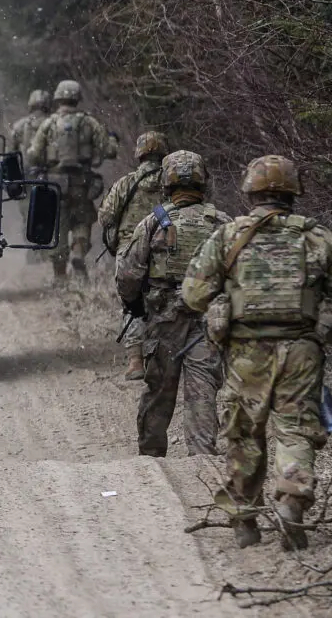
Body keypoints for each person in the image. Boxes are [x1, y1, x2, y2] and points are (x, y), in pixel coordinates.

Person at [183, 155, 332, 550]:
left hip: (246, 350)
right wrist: (323, 326)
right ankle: (292, 499)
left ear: (250, 192)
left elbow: (193, 292)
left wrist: (220, 307)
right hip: (300, 348)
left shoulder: (228, 236)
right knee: (295, 430)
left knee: (243, 432)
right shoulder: (317, 237)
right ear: (293, 192)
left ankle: (244, 520)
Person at [116, 150, 229, 460]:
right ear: (203, 181)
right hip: (208, 321)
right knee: (202, 391)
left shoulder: (154, 222)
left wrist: (134, 305)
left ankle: (151, 458)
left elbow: (127, 275)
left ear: (167, 182)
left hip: (164, 320)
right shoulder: (222, 223)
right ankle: (203, 459)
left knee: (160, 389)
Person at [26, 79, 118, 282]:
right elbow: (109, 151)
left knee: (58, 227)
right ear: (77, 98)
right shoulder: (89, 122)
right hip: (81, 182)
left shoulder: (48, 123)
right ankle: (78, 252)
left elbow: (33, 154)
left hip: (54, 185)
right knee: (82, 221)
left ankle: (60, 276)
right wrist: (112, 139)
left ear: (58, 98)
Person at [99, 131, 170, 379]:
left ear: (139, 153)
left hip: (129, 252)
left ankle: (135, 361)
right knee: (165, 302)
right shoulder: (171, 183)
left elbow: (105, 217)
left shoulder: (126, 183)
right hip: (163, 251)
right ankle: (163, 359)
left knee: (132, 304)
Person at [9, 89, 51, 157]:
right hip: (51, 166)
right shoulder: (54, 122)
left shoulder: (20, 125)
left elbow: (11, 153)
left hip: (27, 166)